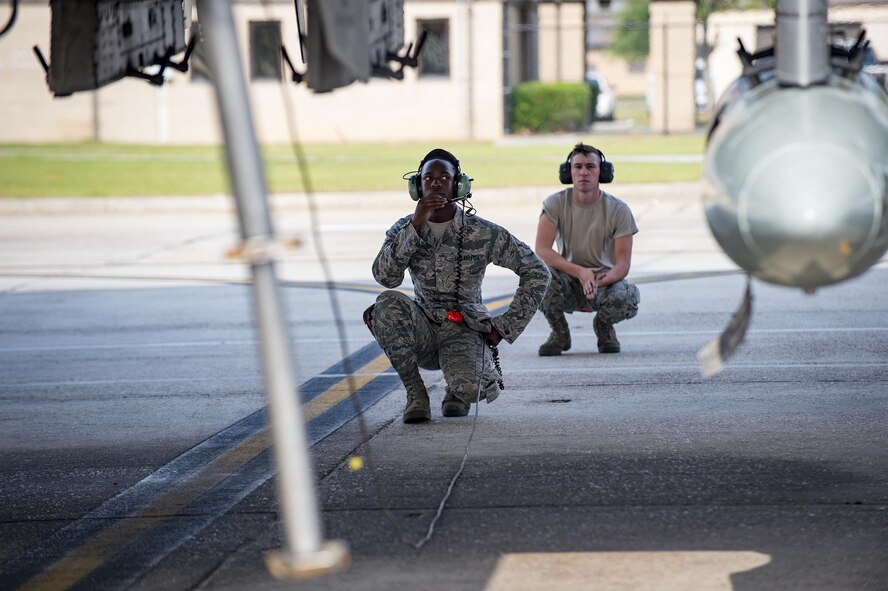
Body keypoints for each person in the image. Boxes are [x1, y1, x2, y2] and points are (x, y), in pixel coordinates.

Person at [365, 148, 550, 423]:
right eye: (428, 178)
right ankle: (416, 394)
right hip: (424, 328)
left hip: (464, 327)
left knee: (470, 390)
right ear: (418, 186)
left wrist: (505, 325)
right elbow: (386, 277)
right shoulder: (404, 228)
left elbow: (537, 271)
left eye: (444, 177)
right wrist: (415, 225)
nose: (436, 183)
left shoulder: (483, 231)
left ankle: (459, 387)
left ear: (458, 185)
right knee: (386, 303)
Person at [534, 143, 640, 356]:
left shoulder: (618, 210)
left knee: (625, 299)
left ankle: (603, 327)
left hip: (603, 280)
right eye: (578, 166)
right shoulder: (555, 203)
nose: (583, 172)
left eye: (591, 166)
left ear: (602, 171)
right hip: (567, 280)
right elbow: (542, 249)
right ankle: (560, 333)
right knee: (537, 277)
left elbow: (623, 263)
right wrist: (580, 273)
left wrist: (601, 279)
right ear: (568, 172)